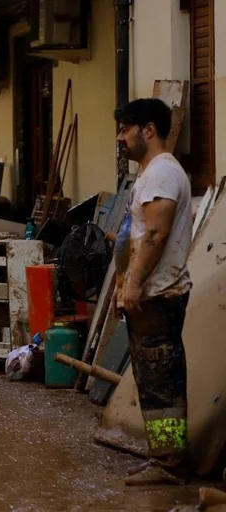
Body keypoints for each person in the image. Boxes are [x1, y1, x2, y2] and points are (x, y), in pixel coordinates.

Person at [114, 98, 192, 486]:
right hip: (151, 295)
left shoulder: (162, 173)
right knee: (153, 384)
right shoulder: (150, 174)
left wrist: (133, 284)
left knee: (162, 386)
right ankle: (163, 457)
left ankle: (171, 464)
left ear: (148, 130)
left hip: (159, 295)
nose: (119, 137)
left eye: (125, 129)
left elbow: (156, 234)